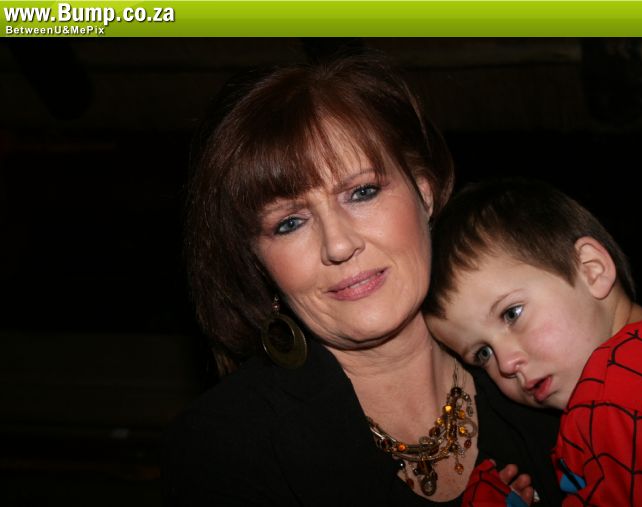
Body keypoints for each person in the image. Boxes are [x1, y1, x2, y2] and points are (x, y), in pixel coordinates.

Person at [161, 55, 564, 506]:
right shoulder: (224, 452)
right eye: (290, 223)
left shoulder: (556, 373)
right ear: (258, 263)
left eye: (362, 192)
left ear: (424, 193)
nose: (338, 245)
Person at [423, 178, 642, 506]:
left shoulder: (616, 394)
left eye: (512, 313)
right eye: (483, 353)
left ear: (591, 270)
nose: (506, 363)